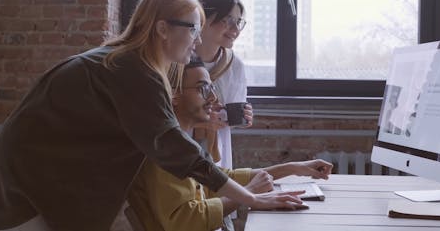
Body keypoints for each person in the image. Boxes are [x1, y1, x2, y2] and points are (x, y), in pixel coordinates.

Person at [0, 0, 303, 231]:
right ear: (163, 29)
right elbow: (175, 147)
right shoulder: (134, 69)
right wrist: (250, 198)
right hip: (23, 190)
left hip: (22, 181)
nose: (197, 39)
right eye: (192, 29)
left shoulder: (124, 60)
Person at [127, 56, 333, 231]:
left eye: (211, 88)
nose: (213, 97)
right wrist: (250, 194)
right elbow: (184, 221)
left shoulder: (178, 141)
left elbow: (221, 179)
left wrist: (293, 168)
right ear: (174, 95)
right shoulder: (165, 150)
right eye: (203, 88)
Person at [193, 0, 252, 170]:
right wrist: (200, 119)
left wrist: (242, 117)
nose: (235, 29)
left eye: (239, 22)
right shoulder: (178, 59)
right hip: (180, 149)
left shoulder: (235, 65)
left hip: (217, 150)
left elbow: (229, 117)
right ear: (204, 18)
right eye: (228, 21)